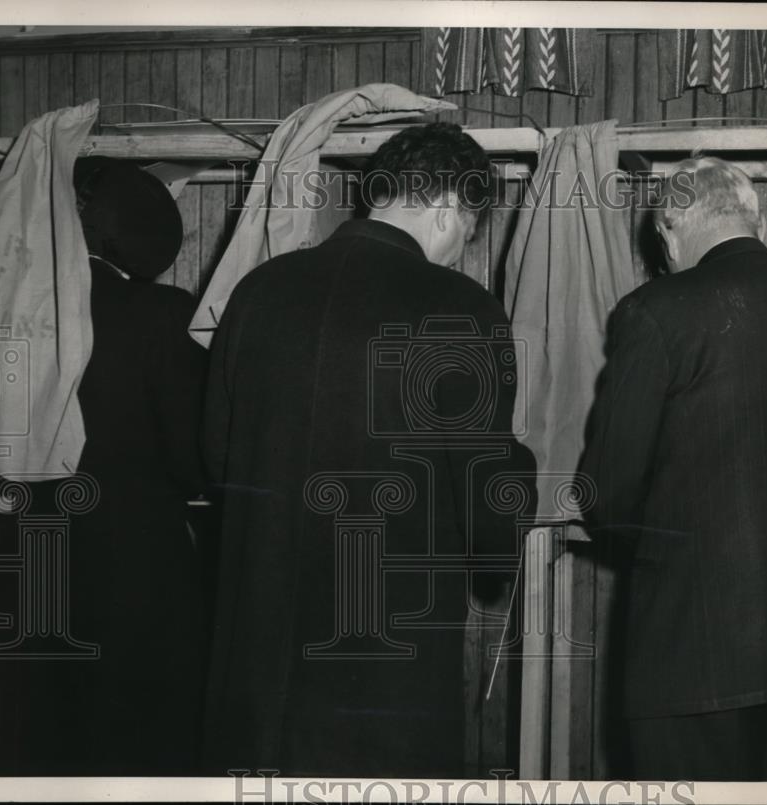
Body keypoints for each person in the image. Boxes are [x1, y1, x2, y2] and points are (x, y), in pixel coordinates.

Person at [201, 122, 537, 778]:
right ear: (450, 209)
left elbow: (216, 459)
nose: (459, 252)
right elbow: (490, 503)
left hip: (258, 660)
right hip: (384, 669)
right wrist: (520, 472)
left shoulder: (258, 291)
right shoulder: (459, 308)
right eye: (469, 233)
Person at [579, 157, 767, 783]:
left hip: (694, 653)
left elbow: (607, 493)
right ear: (755, 220)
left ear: (670, 231)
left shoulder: (654, 310)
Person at [0, 156, 208, 775]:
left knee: (45, 735)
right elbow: (193, 460)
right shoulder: (162, 313)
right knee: (137, 741)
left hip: (33, 563)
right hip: (136, 568)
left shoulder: (11, 314)